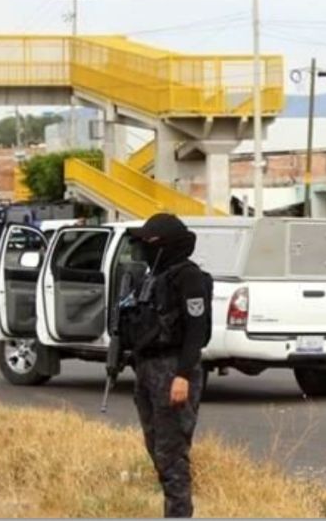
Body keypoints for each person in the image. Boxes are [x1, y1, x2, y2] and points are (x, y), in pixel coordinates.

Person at [120, 213, 213, 518]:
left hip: (173, 370)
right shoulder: (152, 277)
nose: (143, 249)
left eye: (149, 243)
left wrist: (183, 375)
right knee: (158, 451)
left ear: (165, 245)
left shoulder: (189, 277)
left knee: (172, 455)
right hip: (148, 370)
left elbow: (196, 331)